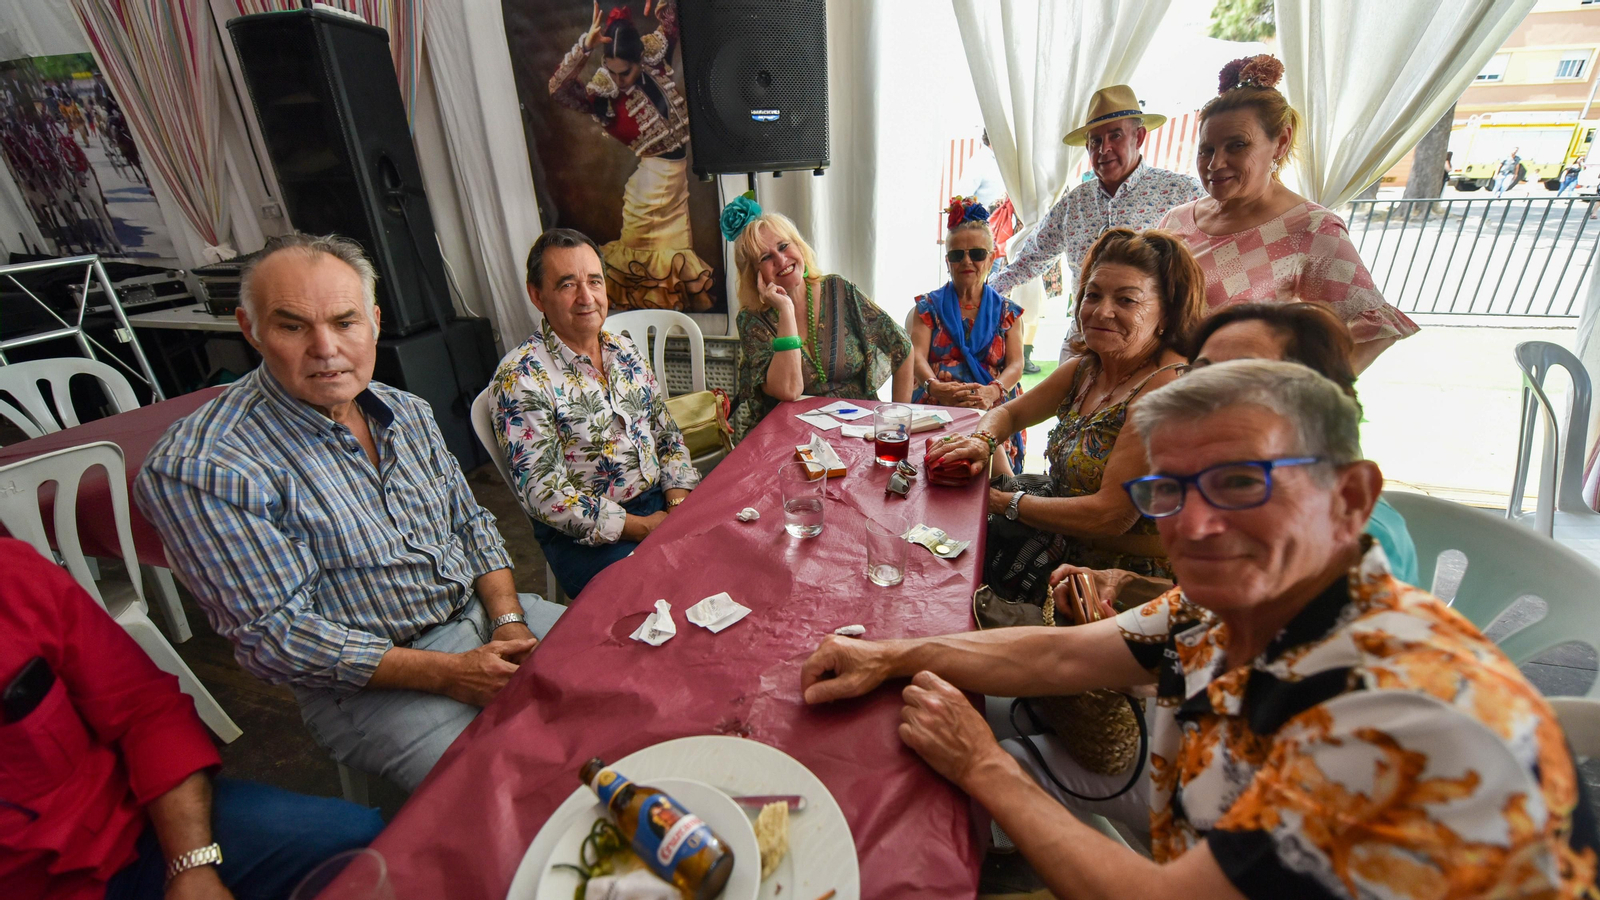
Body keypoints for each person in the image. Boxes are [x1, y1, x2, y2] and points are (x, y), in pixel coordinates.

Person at [801, 360, 1599, 900]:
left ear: (1351, 497)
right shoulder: (1244, 604)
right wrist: (889, 655)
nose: (1198, 525)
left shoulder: (1390, 713)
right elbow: (1058, 652)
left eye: (1242, 482)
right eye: (1170, 491)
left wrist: (983, 765)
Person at [136, 232, 566, 793]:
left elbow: (470, 524)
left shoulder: (405, 410)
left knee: (627, 679)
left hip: (486, 615)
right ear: (251, 330)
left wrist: (508, 618)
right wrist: (450, 673)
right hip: (370, 685)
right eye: (293, 326)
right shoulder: (204, 465)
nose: (325, 347)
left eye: (345, 321)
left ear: (375, 323)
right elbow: (276, 636)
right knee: (519, 792)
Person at [0, 539, 385, 900]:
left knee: (354, 841)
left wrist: (191, 864)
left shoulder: (13, 575)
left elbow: (144, 709)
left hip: (128, 827)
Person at [1055, 301, 1421, 624]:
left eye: (1243, 376)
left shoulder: (1359, 539)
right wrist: (1128, 584)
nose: (1192, 525)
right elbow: (1218, 614)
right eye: (1200, 374)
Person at [927, 228, 1206, 599]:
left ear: (1167, 314)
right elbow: (1007, 415)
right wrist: (982, 441)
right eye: (1093, 295)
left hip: (1112, 583)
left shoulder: (1167, 389)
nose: (1102, 311)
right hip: (1057, 549)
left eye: (1126, 300)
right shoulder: (1086, 369)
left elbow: (1111, 515)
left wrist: (1003, 503)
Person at [1158, 55, 1418, 372]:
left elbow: (1373, 331)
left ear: (1281, 142)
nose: (1215, 164)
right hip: (1148, 391)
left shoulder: (1309, 228)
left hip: (1225, 396)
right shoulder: (1178, 219)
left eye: (1237, 145)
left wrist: (1291, 392)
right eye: (1207, 149)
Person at [492, 228, 699, 597]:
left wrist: (677, 503)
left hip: (659, 501)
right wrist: (644, 528)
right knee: (670, 595)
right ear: (537, 295)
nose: (586, 297)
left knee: (731, 554)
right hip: (587, 539)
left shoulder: (624, 350)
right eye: (567, 285)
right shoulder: (520, 378)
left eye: (594, 281)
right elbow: (547, 496)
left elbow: (667, 434)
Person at [991, 85, 1203, 365]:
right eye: (1095, 141)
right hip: (1083, 342)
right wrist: (978, 293)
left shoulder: (1183, 193)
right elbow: (1029, 259)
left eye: (1115, 135)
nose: (1104, 149)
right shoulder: (1073, 203)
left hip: (1152, 348)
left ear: (1139, 136)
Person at [548, 0, 714, 311]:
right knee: (648, 270)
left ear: (640, 59)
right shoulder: (603, 94)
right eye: (612, 71)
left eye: (625, 72)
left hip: (675, 186)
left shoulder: (655, 59)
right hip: (648, 191)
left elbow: (673, 18)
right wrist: (585, 47)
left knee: (669, 269)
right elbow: (559, 89)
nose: (619, 80)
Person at [723, 197, 913, 441]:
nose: (780, 260)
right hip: (790, 438)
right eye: (765, 257)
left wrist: (897, 427)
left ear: (799, 246)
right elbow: (789, 390)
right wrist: (786, 310)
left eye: (783, 246)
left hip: (857, 432)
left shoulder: (839, 290)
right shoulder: (751, 320)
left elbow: (902, 348)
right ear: (754, 274)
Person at [910, 197, 1026, 470]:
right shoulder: (928, 308)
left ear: (992, 257)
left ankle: (1000, 490)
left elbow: (1016, 364)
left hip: (991, 403)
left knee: (988, 467)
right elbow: (916, 356)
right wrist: (934, 387)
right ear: (947, 261)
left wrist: (992, 391)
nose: (966, 261)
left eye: (976, 254)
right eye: (956, 255)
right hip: (937, 403)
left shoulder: (1007, 312)